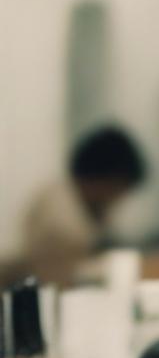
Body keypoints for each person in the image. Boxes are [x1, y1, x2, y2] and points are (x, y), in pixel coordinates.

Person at [0, 121, 148, 288]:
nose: (120, 200)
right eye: (121, 189)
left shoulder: (80, 203)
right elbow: (58, 283)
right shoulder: (61, 219)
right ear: (105, 181)